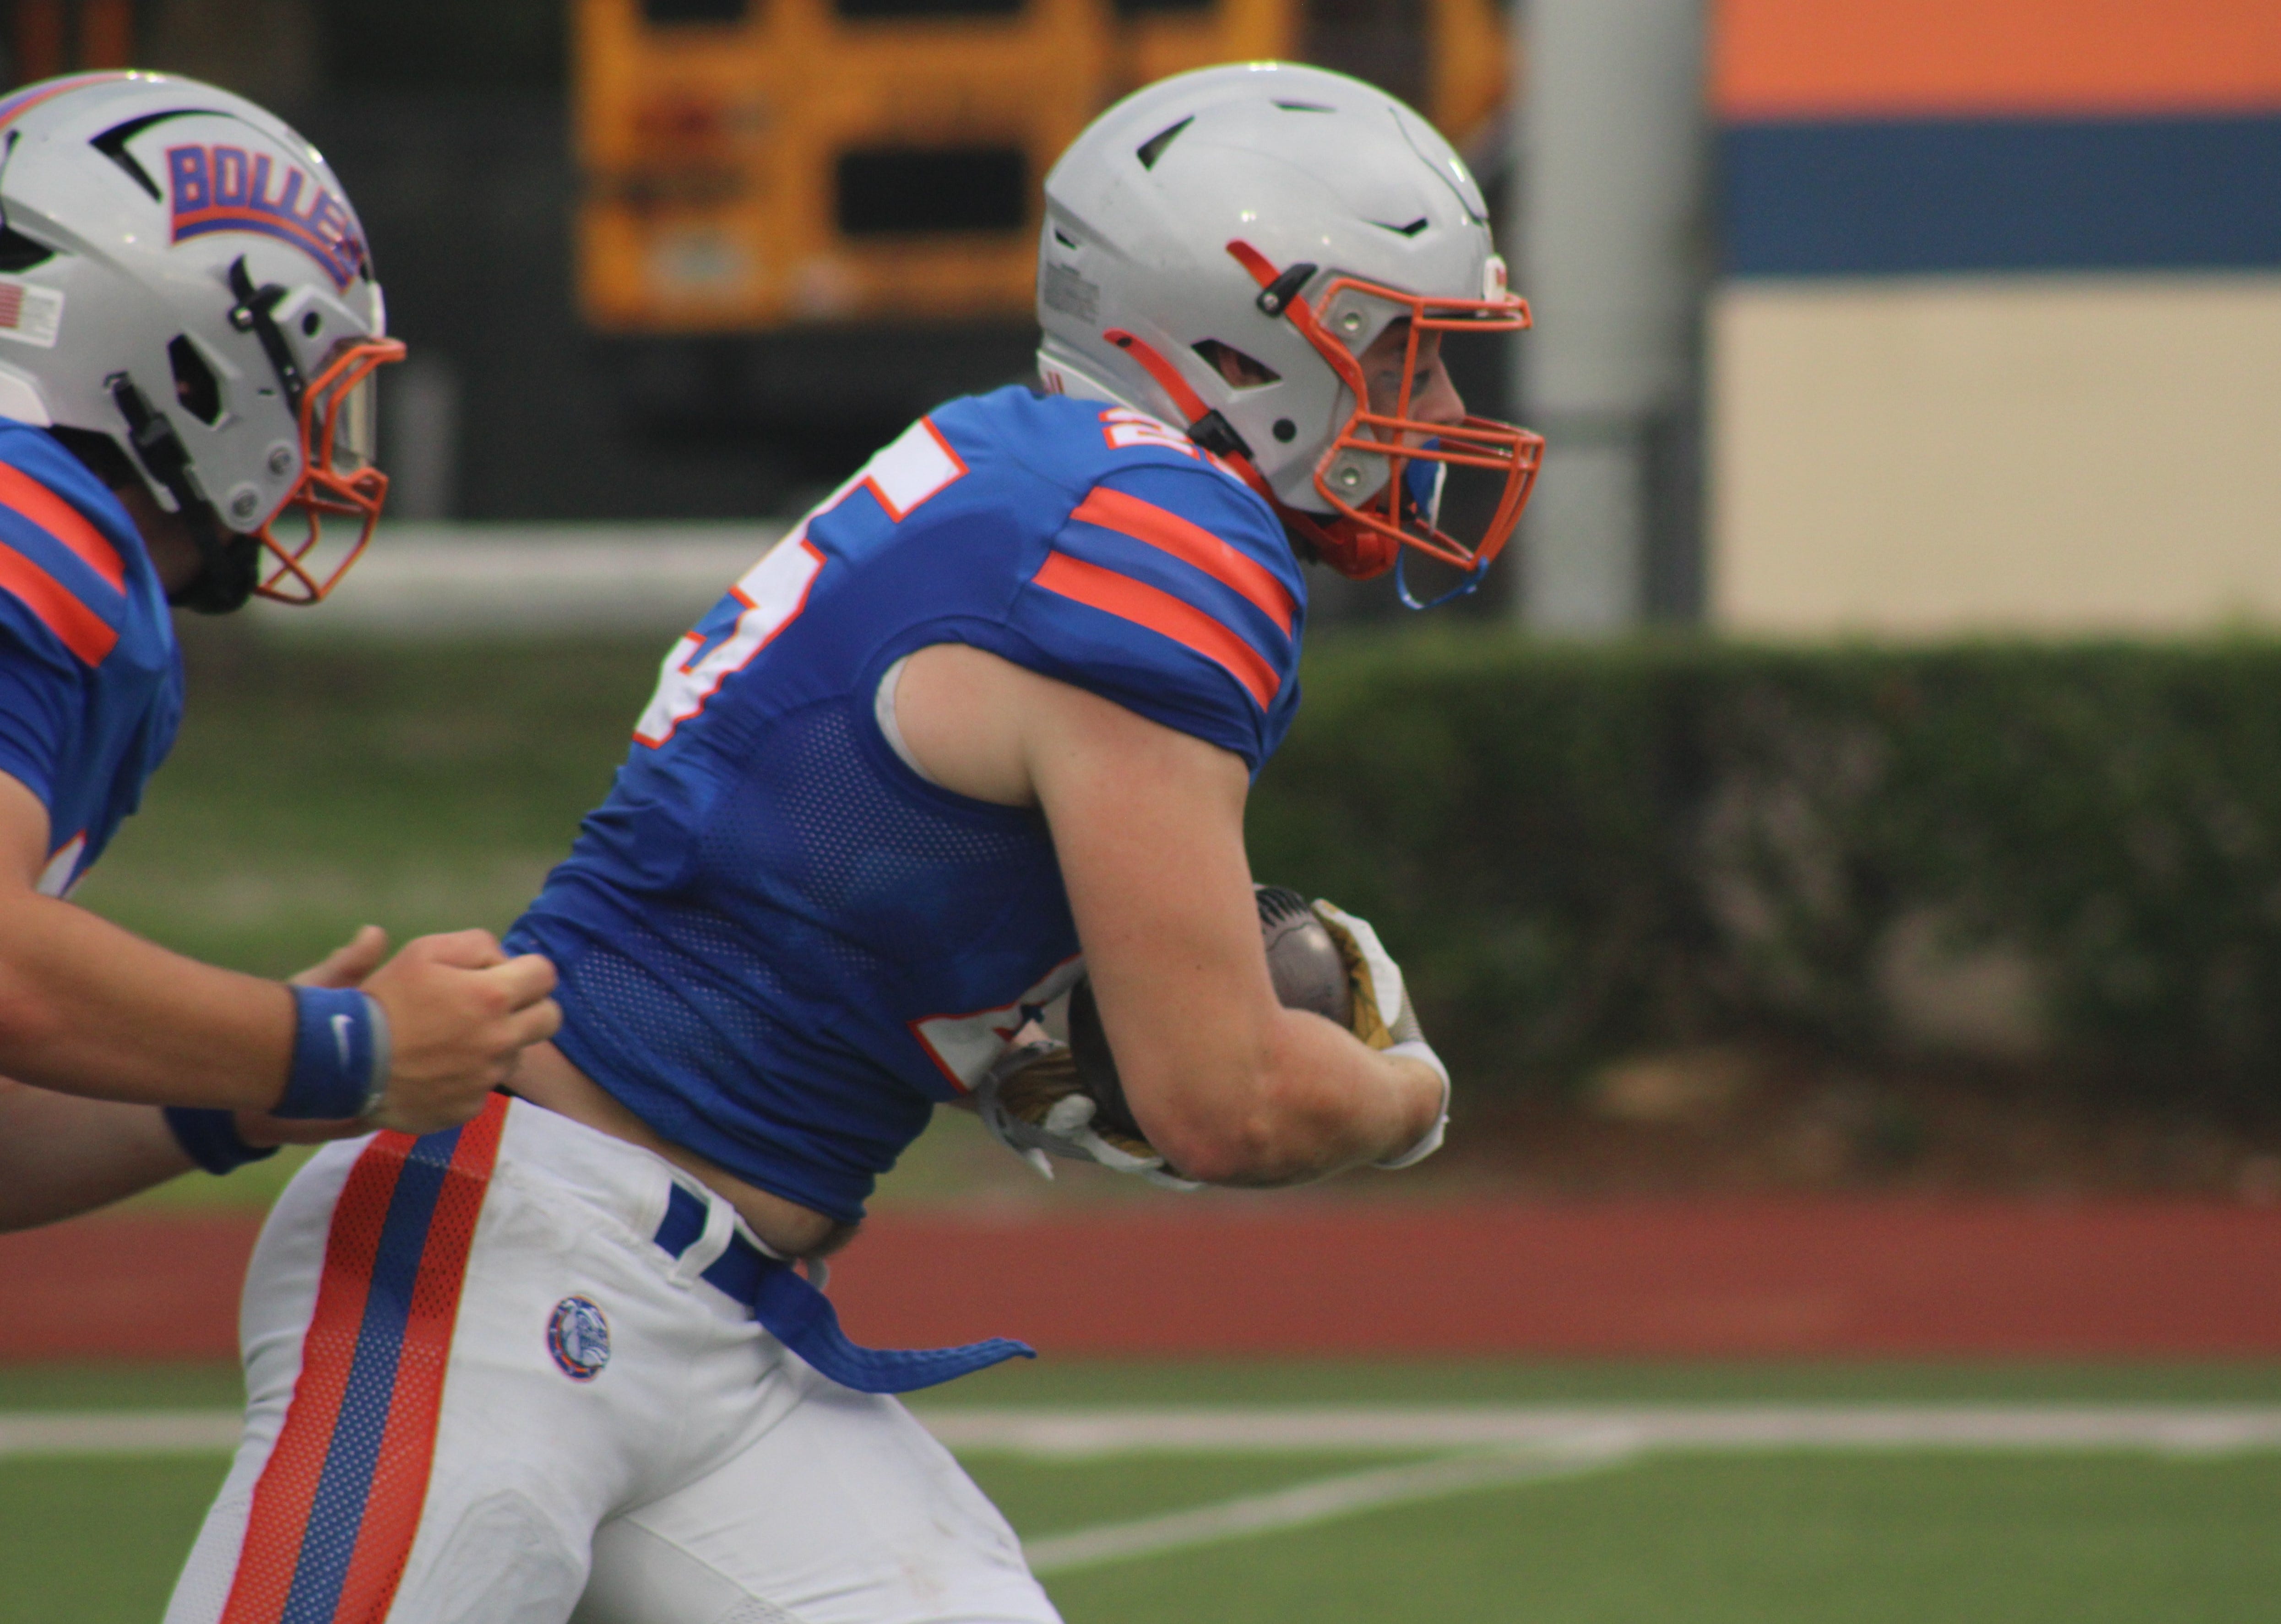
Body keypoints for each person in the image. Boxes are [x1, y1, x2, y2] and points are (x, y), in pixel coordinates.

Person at [165, 61, 1543, 1624]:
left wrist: (1002, 1031)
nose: (1432, 413)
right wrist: (1406, 1089)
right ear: (1251, 334)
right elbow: (1223, 1099)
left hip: (718, 1311)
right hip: (511, 1251)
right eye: (1399, 353)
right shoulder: (1159, 538)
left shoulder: (1022, 462)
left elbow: (828, 870)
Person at [0, 72, 560, 1234]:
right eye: (310, 377)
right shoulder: (37, 528)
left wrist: (248, 1089)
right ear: (188, 359)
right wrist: (348, 1049)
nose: (317, 445)